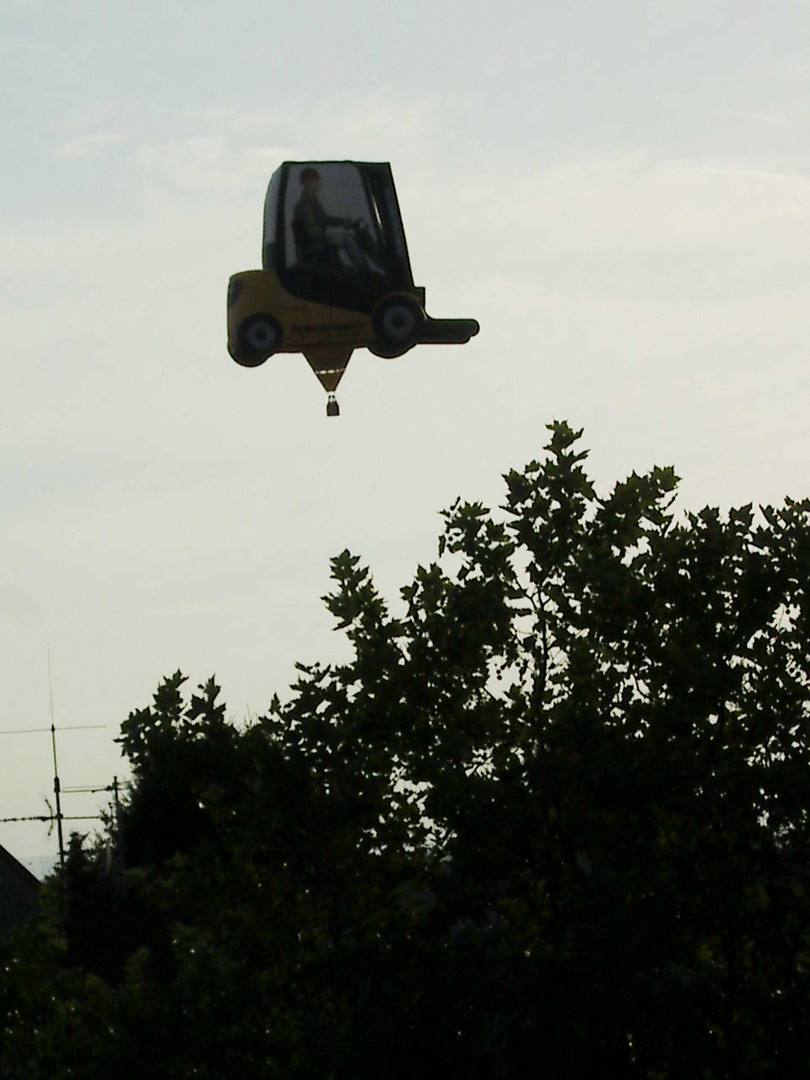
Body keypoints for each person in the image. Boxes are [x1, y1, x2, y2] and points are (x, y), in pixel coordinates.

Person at [291, 168, 371, 275]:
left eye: (318, 180)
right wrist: (327, 240)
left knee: (348, 236)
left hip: (319, 240)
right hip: (316, 244)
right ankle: (365, 272)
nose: (318, 184)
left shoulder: (312, 201)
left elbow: (324, 219)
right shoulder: (304, 206)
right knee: (347, 239)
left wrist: (343, 221)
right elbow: (312, 230)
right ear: (306, 183)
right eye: (315, 181)